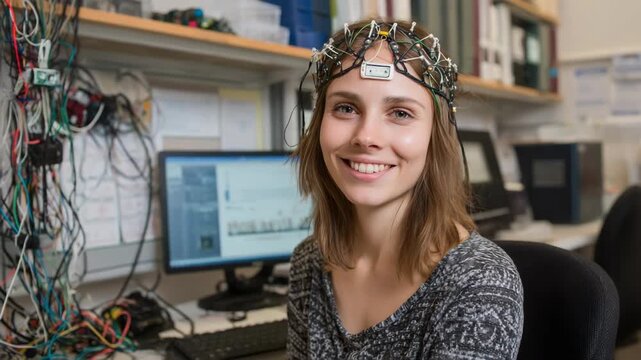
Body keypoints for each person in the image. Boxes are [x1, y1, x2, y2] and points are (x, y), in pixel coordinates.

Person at [288, 19, 523, 359]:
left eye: (399, 113)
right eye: (345, 108)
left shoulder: (479, 282)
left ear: (434, 136)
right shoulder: (309, 262)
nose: (366, 137)